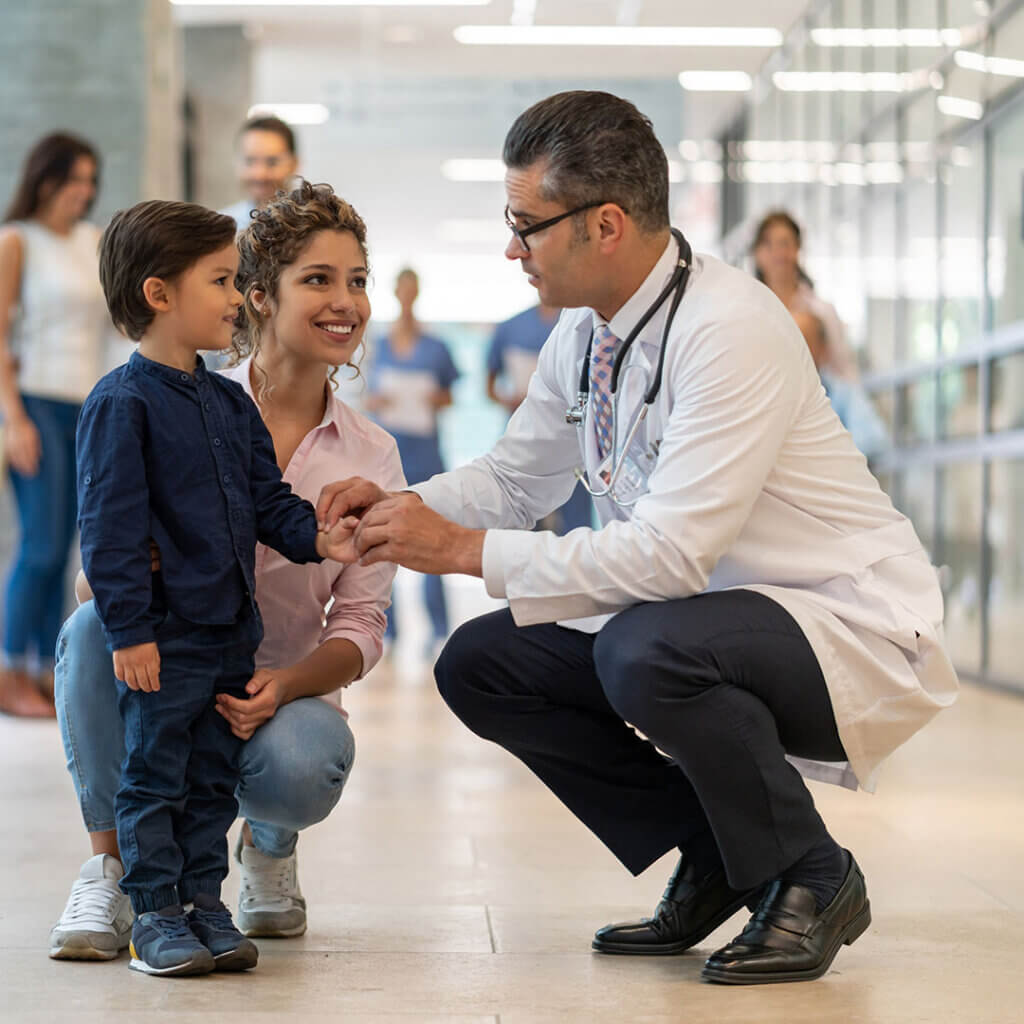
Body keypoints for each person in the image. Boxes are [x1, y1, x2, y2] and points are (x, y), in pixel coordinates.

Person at [316, 91, 959, 986]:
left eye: (526, 225)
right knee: (483, 664)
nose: (513, 249)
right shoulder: (586, 333)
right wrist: (396, 506)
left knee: (643, 649)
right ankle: (720, 851)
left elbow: (670, 555)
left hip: (842, 624)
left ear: (606, 224)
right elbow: (516, 478)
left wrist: (462, 551)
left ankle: (814, 874)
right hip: (699, 617)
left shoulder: (730, 328)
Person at [50, 182, 402, 967]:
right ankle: (137, 896)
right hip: (165, 646)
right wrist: (132, 620)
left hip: (247, 661)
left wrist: (324, 539)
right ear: (259, 294)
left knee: (212, 782)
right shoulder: (128, 402)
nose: (346, 301)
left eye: (356, 280)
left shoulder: (263, 419)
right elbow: (105, 539)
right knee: (142, 743)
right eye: (318, 279)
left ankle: (216, 894)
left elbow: (279, 515)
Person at [0, 132, 108, 718]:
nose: (83, 191)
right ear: (45, 181)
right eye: (73, 179)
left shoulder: (94, 241)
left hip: (86, 405)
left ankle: (44, 672)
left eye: (90, 181)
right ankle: (8, 670)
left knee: (66, 548)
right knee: (38, 546)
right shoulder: (17, 240)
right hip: (36, 402)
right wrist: (13, 420)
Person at [364, 267, 459, 652]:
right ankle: (387, 631)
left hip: (426, 455)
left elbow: (450, 396)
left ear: (417, 292)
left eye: (411, 289)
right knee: (383, 542)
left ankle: (438, 630)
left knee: (432, 540)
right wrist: (377, 401)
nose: (406, 295)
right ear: (395, 291)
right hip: (387, 454)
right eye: (401, 288)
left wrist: (433, 397)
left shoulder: (436, 347)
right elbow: (364, 396)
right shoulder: (377, 345)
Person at [486, 303, 592, 533]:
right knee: (520, 526)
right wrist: (510, 400)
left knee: (576, 527)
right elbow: (489, 387)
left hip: (575, 442)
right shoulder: (511, 328)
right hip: (526, 437)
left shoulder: (587, 324)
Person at [752, 210, 859, 381]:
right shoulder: (748, 311)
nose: (777, 253)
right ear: (756, 253)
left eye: (784, 244)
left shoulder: (822, 312)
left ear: (797, 249)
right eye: (768, 245)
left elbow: (844, 371)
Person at [793, 309, 889, 459]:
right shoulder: (779, 393)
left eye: (807, 342)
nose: (800, 351)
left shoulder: (842, 393)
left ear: (823, 349)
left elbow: (873, 441)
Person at [220, 115, 299, 232]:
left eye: (272, 162)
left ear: (294, 164)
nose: (260, 175)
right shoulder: (223, 228)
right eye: (249, 161)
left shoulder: (317, 229)